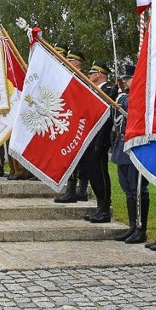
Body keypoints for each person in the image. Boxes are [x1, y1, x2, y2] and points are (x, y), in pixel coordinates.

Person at [111, 63, 149, 244]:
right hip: (122, 147)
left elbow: (132, 106)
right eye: (124, 78)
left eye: (129, 77)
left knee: (138, 190)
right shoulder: (124, 97)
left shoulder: (139, 95)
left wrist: (120, 98)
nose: (125, 80)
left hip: (136, 147)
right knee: (128, 191)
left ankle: (141, 228)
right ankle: (133, 225)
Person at [81, 61, 115, 223]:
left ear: (100, 74)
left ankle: (105, 209)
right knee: (93, 174)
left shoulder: (109, 91)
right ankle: (99, 206)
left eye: (92, 73)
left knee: (101, 174)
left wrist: (100, 142)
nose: (89, 75)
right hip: (90, 139)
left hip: (100, 140)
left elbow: (107, 119)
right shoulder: (94, 91)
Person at [55, 50, 89, 202]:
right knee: (75, 158)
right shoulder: (71, 77)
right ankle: (76, 190)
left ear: (75, 63)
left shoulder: (79, 78)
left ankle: (77, 190)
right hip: (71, 122)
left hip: (77, 123)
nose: (66, 61)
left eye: (69, 60)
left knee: (77, 158)